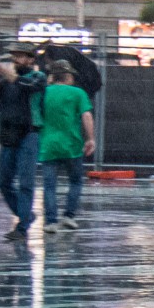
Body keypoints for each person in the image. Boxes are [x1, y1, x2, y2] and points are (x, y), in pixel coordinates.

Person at [0, 42, 46, 240]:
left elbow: (27, 87)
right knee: (3, 181)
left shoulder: (37, 77)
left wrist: (3, 72)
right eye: (14, 55)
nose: (16, 59)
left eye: (21, 56)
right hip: (9, 134)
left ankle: (23, 225)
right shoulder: (7, 82)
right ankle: (25, 214)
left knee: (26, 181)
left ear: (31, 59)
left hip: (29, 133)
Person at [39, 60, 95, 233]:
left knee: (49, 185)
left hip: (48, 145)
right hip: (72, 145)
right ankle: (69, 216)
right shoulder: (78, 93)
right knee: (76, 181)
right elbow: (86, 116)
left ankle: (50, 221)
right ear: (69, 76)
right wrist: (90, 138)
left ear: (52, 77)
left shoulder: (43, 93)